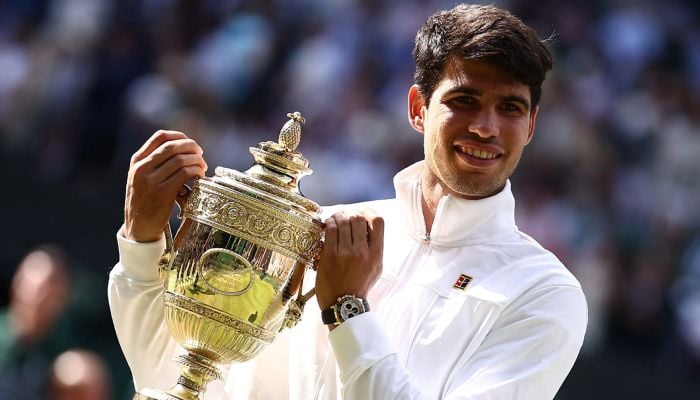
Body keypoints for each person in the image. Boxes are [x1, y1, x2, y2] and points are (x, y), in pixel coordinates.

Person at [108, 4, 587, 399]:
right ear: (418, 108)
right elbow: (174, 377)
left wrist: (347, 311)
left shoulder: (544, 292)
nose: (486, 127)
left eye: (510, 108)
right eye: (464, 100)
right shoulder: (322, 230)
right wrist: (142, 239)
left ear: (531, 125)